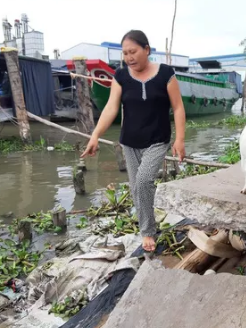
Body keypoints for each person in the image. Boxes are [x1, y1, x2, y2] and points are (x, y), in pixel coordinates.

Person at [80, 30, 186, 252]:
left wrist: (180, 139)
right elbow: (111, 108)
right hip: (129, 141)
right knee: (137, 187)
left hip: (157, 140)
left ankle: (148, 231)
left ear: (146, 49)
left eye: (133, 51)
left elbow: (177, 107)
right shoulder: (121, 76)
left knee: (144, 181)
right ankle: (146, 225)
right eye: (125, 53)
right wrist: (96, 134)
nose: (129, 57)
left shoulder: (166, 73)